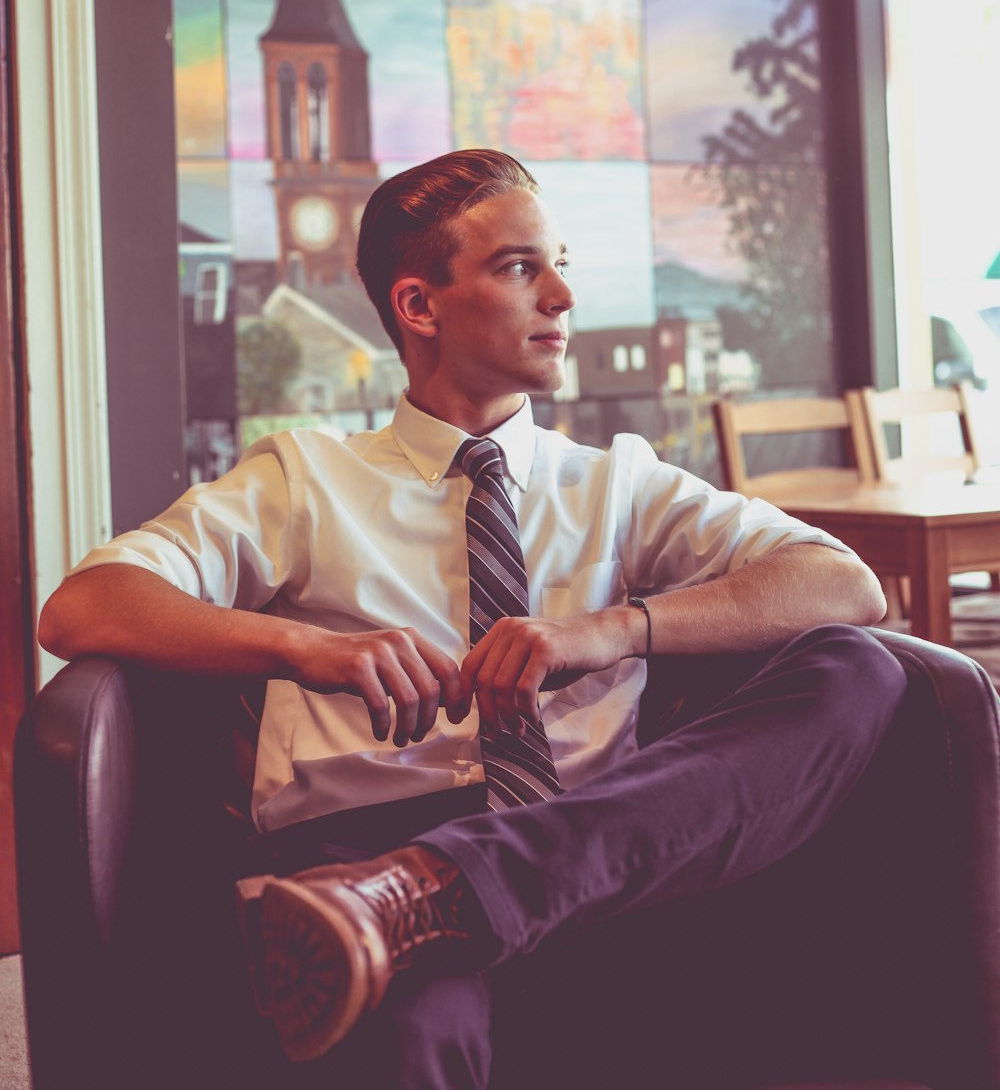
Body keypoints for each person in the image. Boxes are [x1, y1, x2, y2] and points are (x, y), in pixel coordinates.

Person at [39, 148, 904, 1089]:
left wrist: (610, 629)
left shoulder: (615, 481)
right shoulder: (304, 479)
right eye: (521, 267)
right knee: (411, 1033)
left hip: (594, 849)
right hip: (362, 856)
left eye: (559, 261)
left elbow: (843, 584)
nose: (563, 295)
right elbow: (85, 604)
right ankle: (414, 894)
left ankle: (450, 888)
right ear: (420, 306)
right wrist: (305, 648)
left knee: (863, 670)